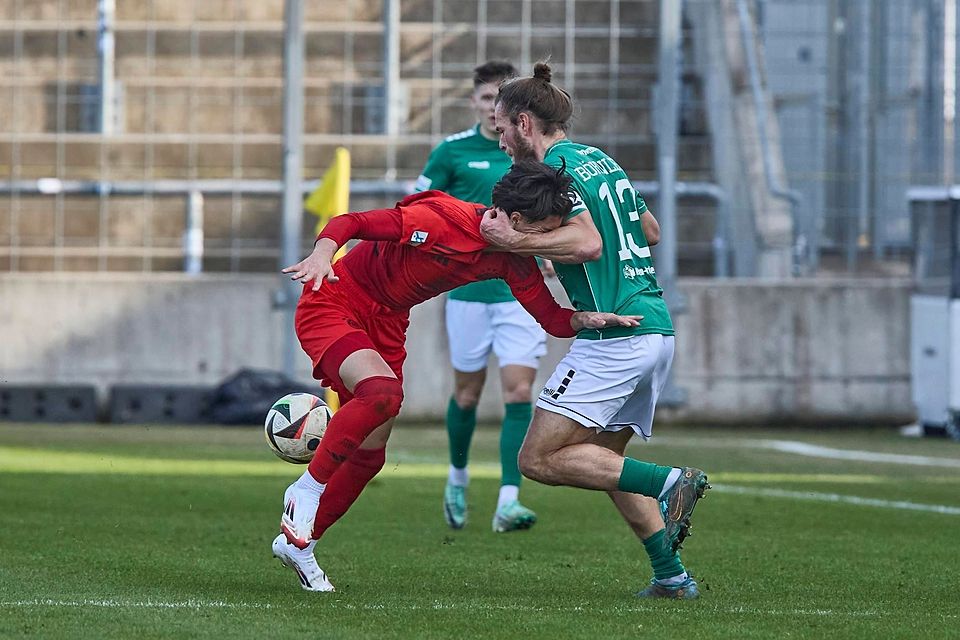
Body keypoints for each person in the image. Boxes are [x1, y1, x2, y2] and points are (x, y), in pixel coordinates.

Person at [271, 160, 643, 592]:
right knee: (383, 394)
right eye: (546, 231)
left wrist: (585, 319)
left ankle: (299, 544)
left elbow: (551, 320)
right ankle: (306, 490)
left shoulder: (512, 262)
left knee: (371, 455)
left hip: (388, 322)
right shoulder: (440, 218)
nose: (551, 242)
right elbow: (351, 222)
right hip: (334, 300)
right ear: (517, 220)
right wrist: (320, 254)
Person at [479, 62, 711, 600]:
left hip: (615, 338)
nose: (501, 141)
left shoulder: (557, 170)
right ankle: (672, 577)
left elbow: (587, 245)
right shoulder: (601, 160)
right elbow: (648, 231)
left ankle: (673, 482)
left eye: (501, 129)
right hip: (654, 328)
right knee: (607, 464)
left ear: (524, 123)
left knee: (537, 459)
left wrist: (514, 243)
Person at [415, 60, 544, 533]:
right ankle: (458, 476)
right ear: (474, 102)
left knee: (519, 389)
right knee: (467, 395)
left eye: (502, 102)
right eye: (487, 99)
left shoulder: (532, 156)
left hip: (520, 294)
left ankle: (509, 499)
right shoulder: (450, 153)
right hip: (467, 294)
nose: (494, 110)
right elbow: (416, 208)